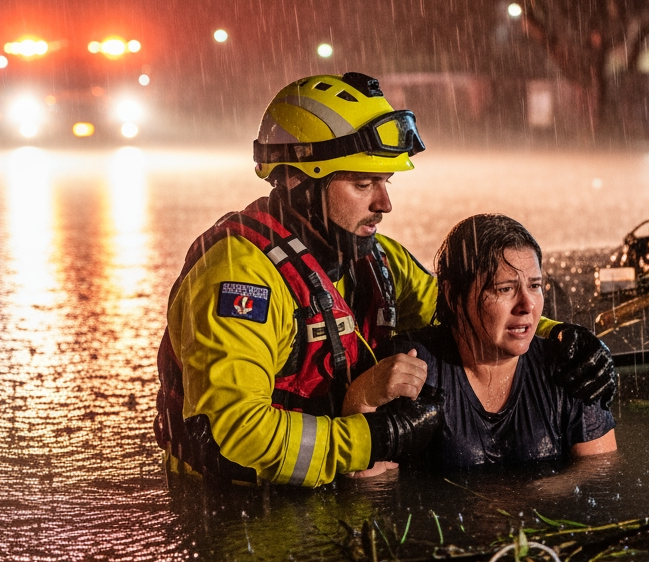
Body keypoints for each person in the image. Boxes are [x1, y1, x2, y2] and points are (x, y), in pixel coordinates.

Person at [156, 73, 617, 486]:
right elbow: (230, 434)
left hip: (330, 492)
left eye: (385, 184)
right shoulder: (237, 278)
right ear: (298, 182)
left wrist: (561, 339)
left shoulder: (374, 258)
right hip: (231, 514)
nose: (384, 204)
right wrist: (373, 438)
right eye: (362, 184)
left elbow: (466, 305)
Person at [387, 214, 617, 469]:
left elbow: (600, 475)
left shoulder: (571, 368)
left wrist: (542, 493)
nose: (527, 305)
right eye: (504, 289)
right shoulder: (414, 366)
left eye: (535, 286)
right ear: (453, 295)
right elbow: (374, 492)